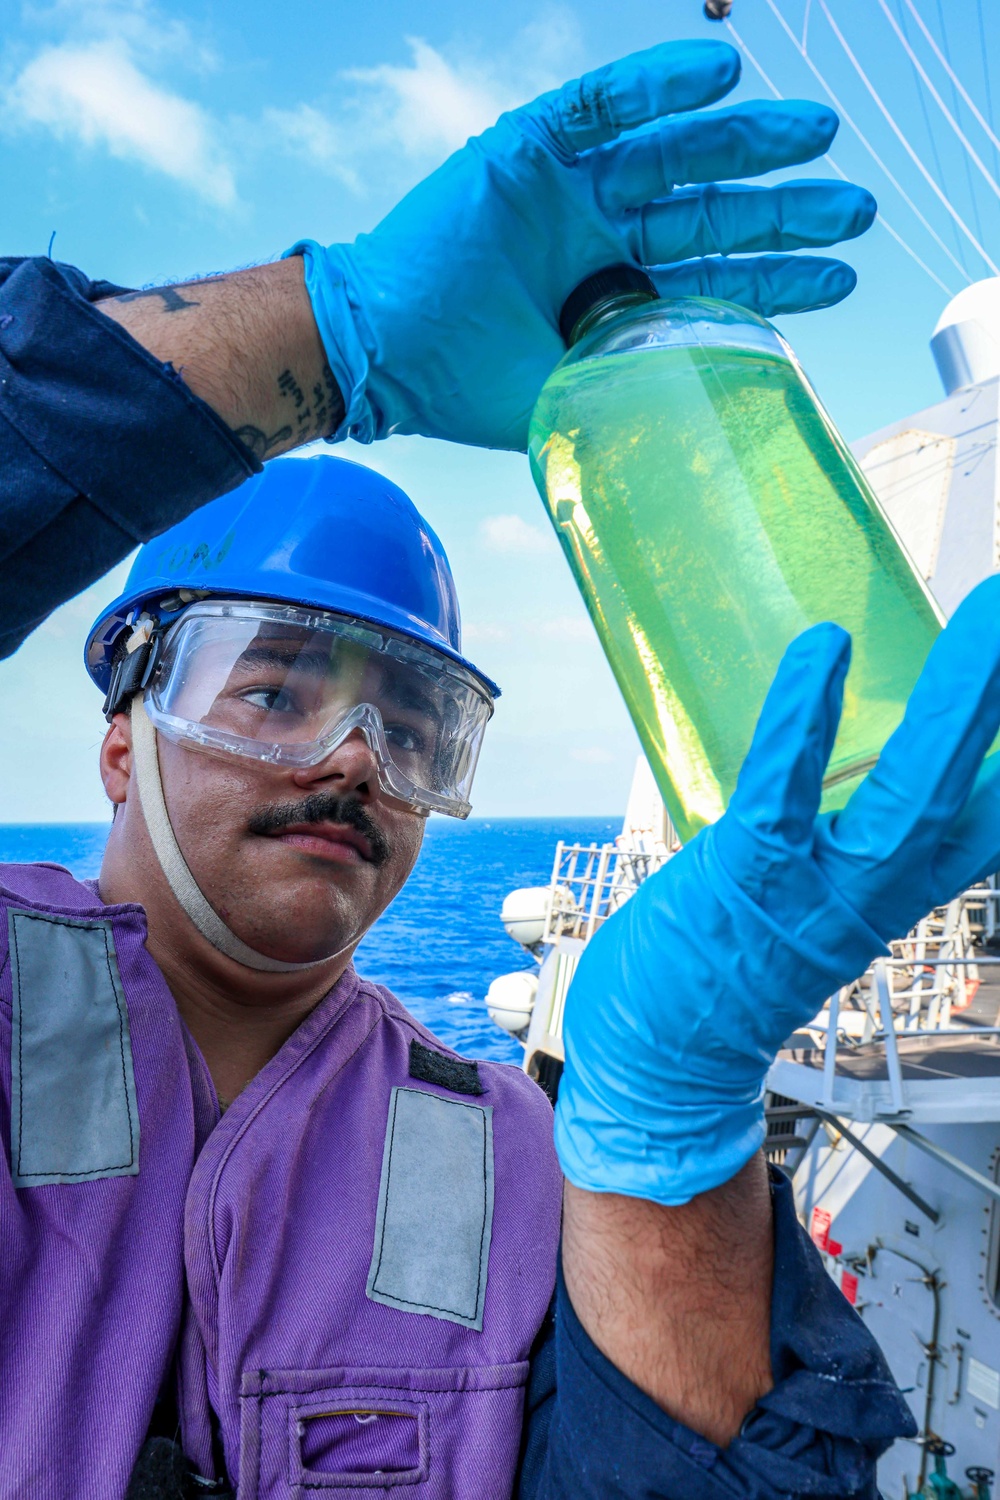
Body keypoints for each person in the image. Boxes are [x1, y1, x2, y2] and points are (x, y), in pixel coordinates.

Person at [1, 32, 984, 1500]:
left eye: (414, 724)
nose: (353, 761)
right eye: (268, 687)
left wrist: (669, 1141)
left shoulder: (516, 1159)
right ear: (122, 727)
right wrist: (323, 336)